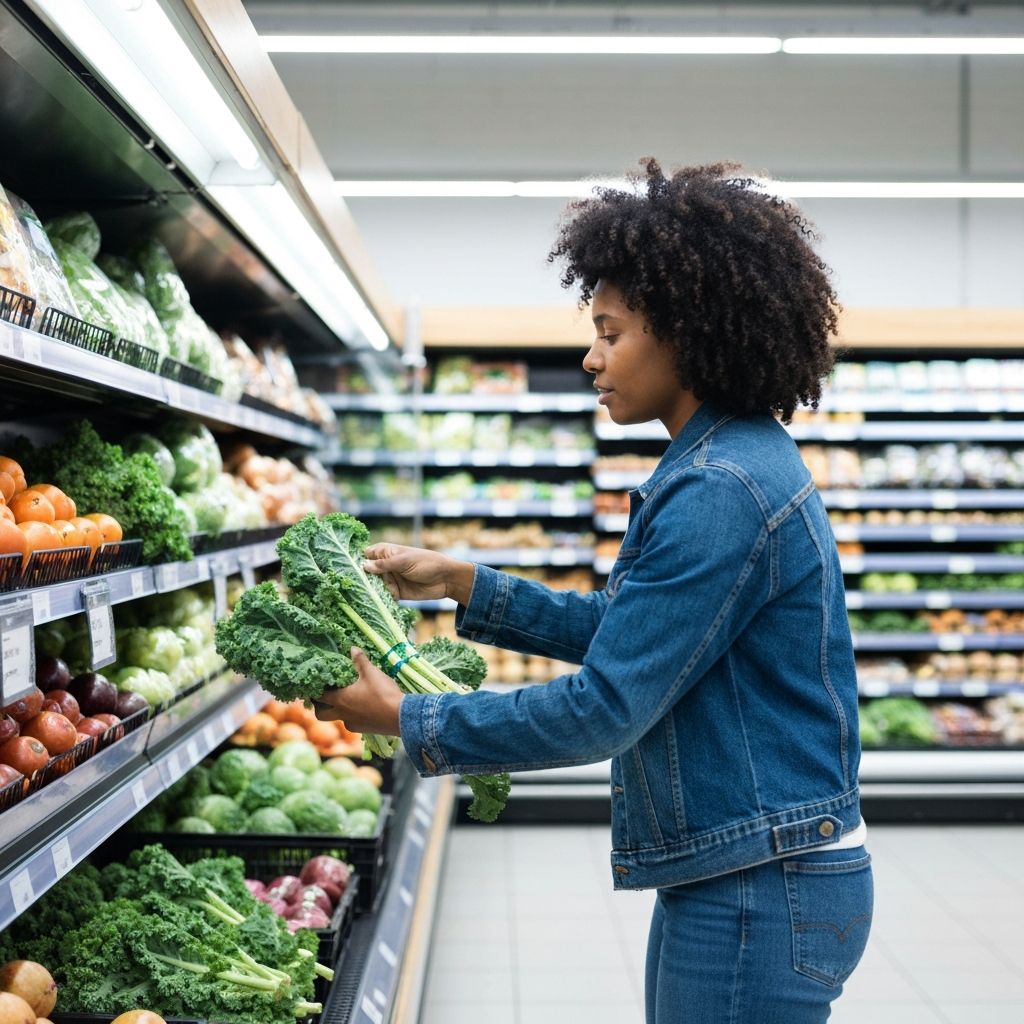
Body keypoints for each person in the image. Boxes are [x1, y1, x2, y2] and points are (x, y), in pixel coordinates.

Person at [315, 159, 873, 1023]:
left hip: (761, 884)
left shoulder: (721, 488)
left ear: (685, 332)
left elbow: (606, 706)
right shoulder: (726, 458)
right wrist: (467, 584)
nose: (590, 356)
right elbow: (633, 632)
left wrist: (410, 719)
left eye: (610, 333)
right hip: (754, 865)